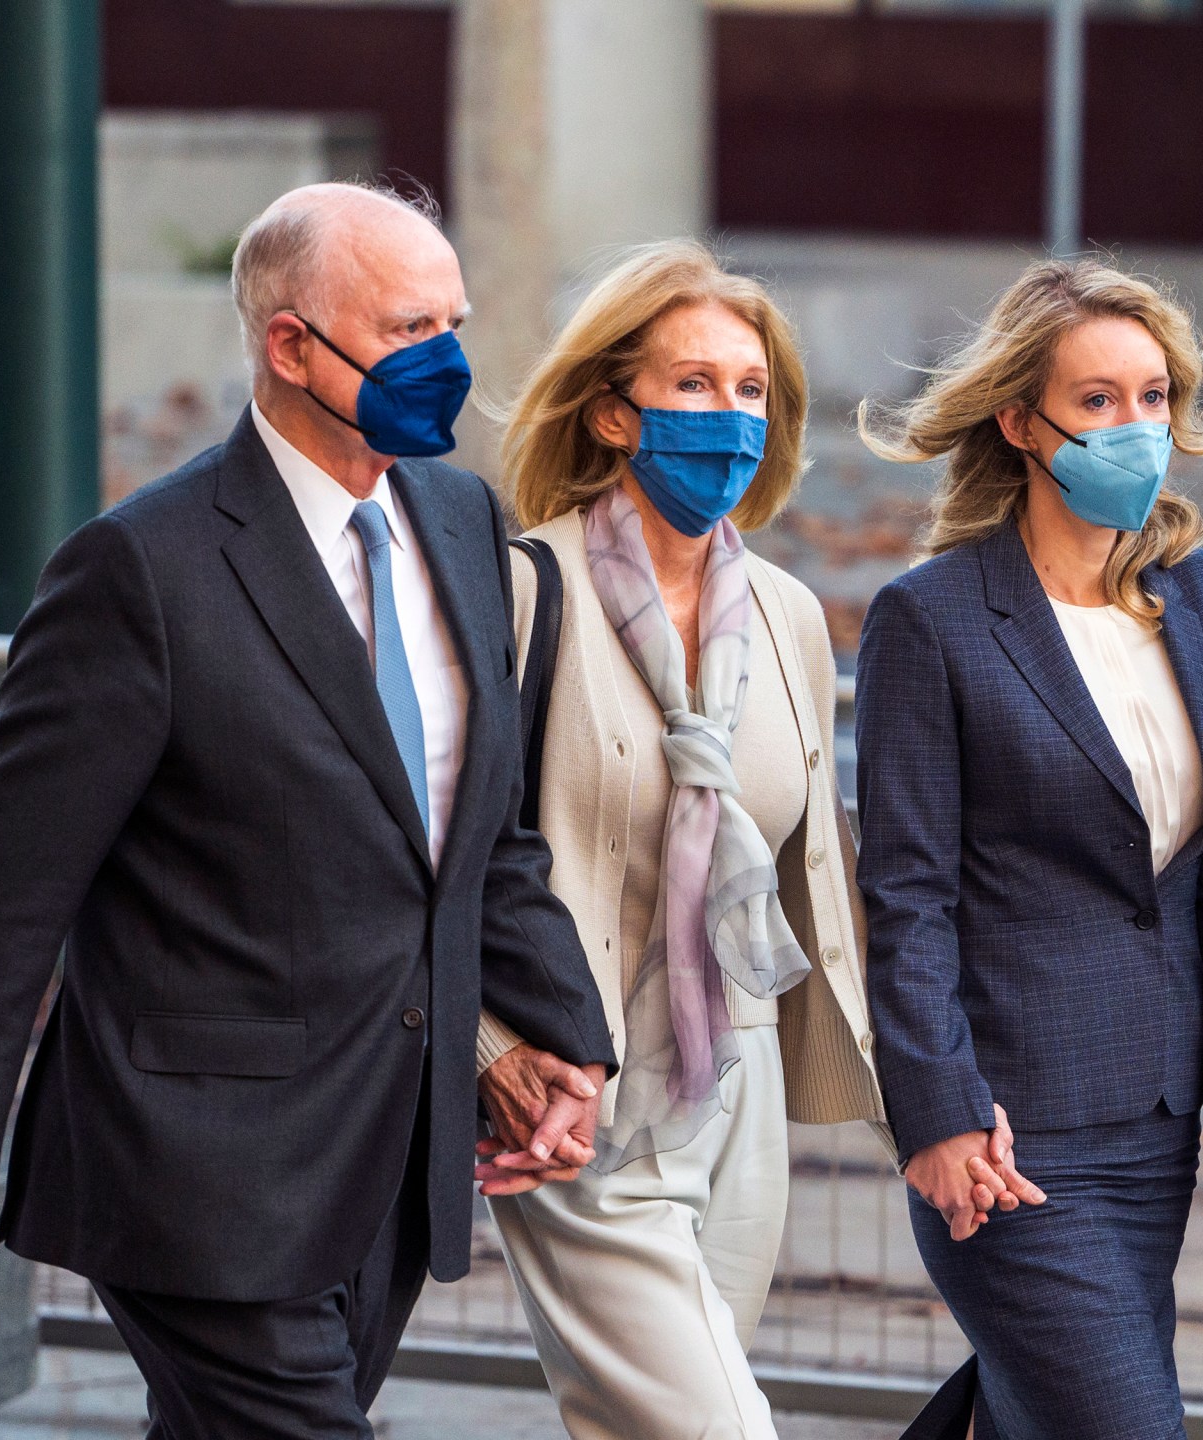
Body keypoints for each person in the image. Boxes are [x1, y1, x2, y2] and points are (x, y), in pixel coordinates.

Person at [0, 182, 616, 1434]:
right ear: (291, 345)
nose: (448, 361)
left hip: (390, 1156)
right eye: (409, 328)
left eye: (455, 322)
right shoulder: (140, 570)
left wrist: (562, 1035)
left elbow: (488, 833)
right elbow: (2, 896)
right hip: (193, 1169)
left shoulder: (467, 523)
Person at [476, 239, 885, 1440]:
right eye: (693, 385)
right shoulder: (520, 589)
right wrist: (497, 1049)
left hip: (741, 1081)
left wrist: (926, 1102)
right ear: (612, 410)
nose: (729, 417)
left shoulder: (790, 615)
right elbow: (444, 850)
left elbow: (821, 878)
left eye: (750, 390)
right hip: (578, 1084)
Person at [855, 259, 1203, 1439]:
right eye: (1096, 402)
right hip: (1006, 1133)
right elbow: (906, 896)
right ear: (1019, 421)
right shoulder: (930, 619)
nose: (1134, 427)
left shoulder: (1197, 599)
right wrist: (932, 1108)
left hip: (1151, 1115)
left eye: (1152, 398)